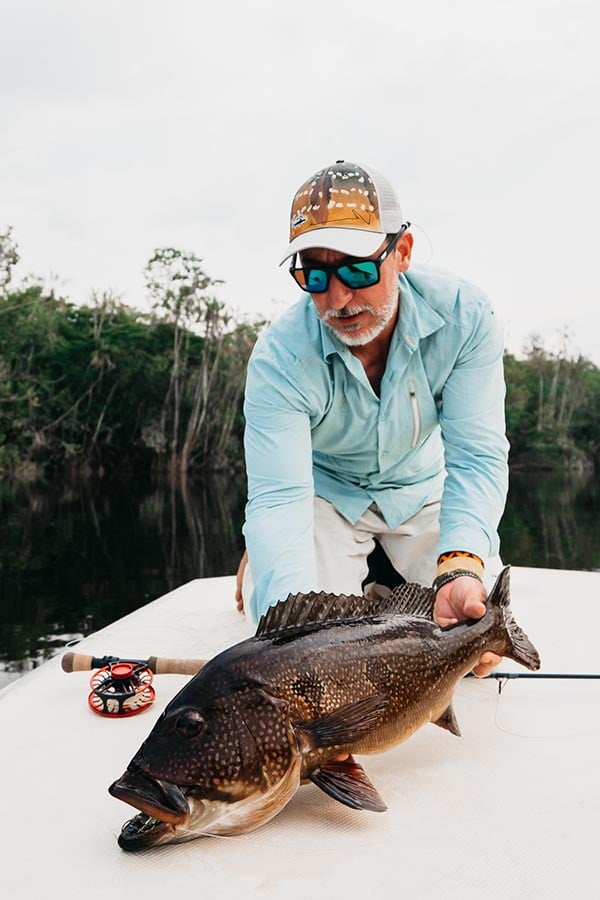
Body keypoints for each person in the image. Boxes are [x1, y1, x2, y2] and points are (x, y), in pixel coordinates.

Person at [239, 159, 509, 677]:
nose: (336, 298)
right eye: (313, 275)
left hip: (422, 488)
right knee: (302, 644)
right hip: (325, 498)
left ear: (401, 252)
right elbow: (280, 496)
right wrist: (291, 624)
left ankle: (393, 576)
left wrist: (461, 564)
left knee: (479, 640)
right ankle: (268, 563)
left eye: (357, 269)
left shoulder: (467, 317)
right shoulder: (278, 359)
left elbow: (476, 458)